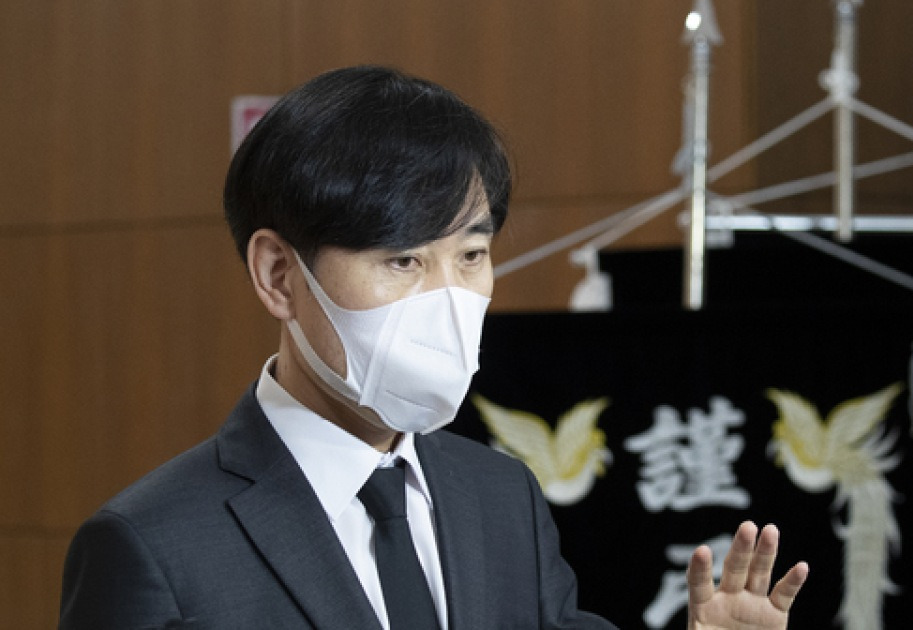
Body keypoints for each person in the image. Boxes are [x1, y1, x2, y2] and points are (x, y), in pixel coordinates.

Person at [59, 65, 809, 629]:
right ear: (279, 275)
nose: (448, 300)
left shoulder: (502, 496)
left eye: (472, 256)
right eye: (403, 260)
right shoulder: (153, 545)